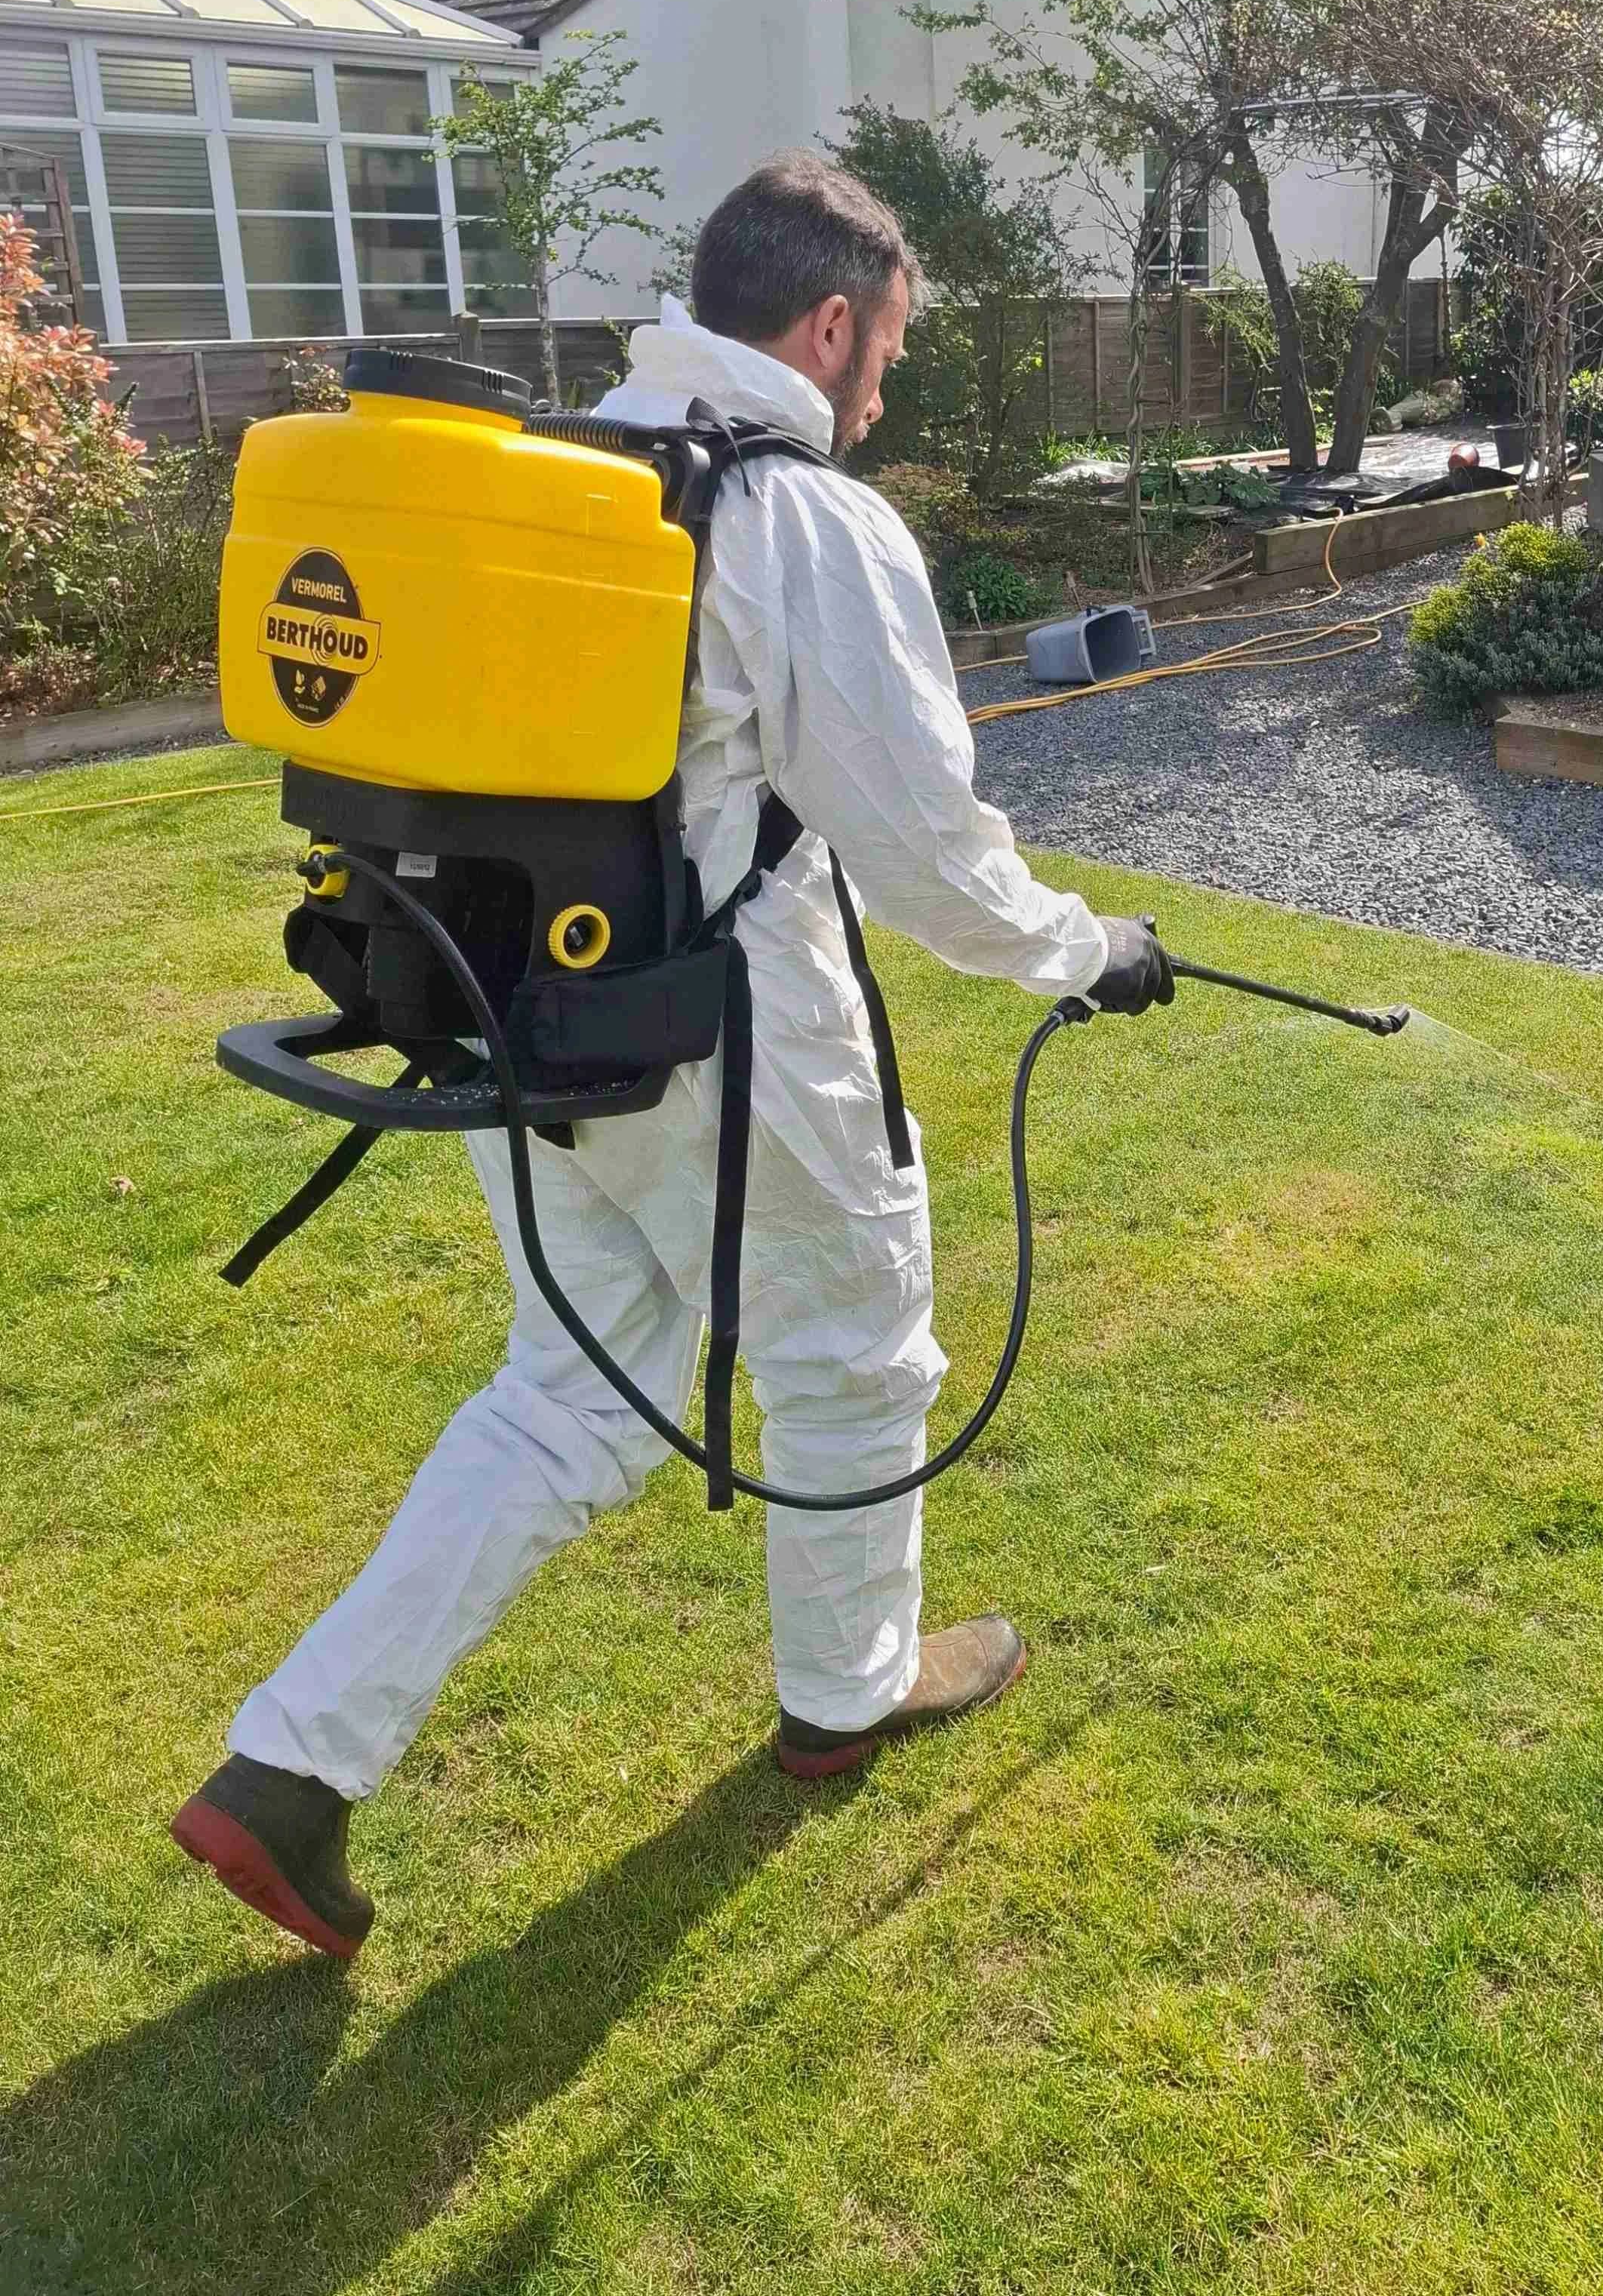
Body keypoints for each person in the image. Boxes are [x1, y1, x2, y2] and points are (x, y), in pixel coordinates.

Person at [171, 150, 1173, 1961]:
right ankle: (848, 1692)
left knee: (568, 1383)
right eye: (884, 357)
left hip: (513, 1017)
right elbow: (931, 856)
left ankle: (287, 1768)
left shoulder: (564, 467)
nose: (882, 393)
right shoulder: (800, 520)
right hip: (728, 1033)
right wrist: (1085, 951)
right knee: (859, 1347)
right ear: (830, 322)